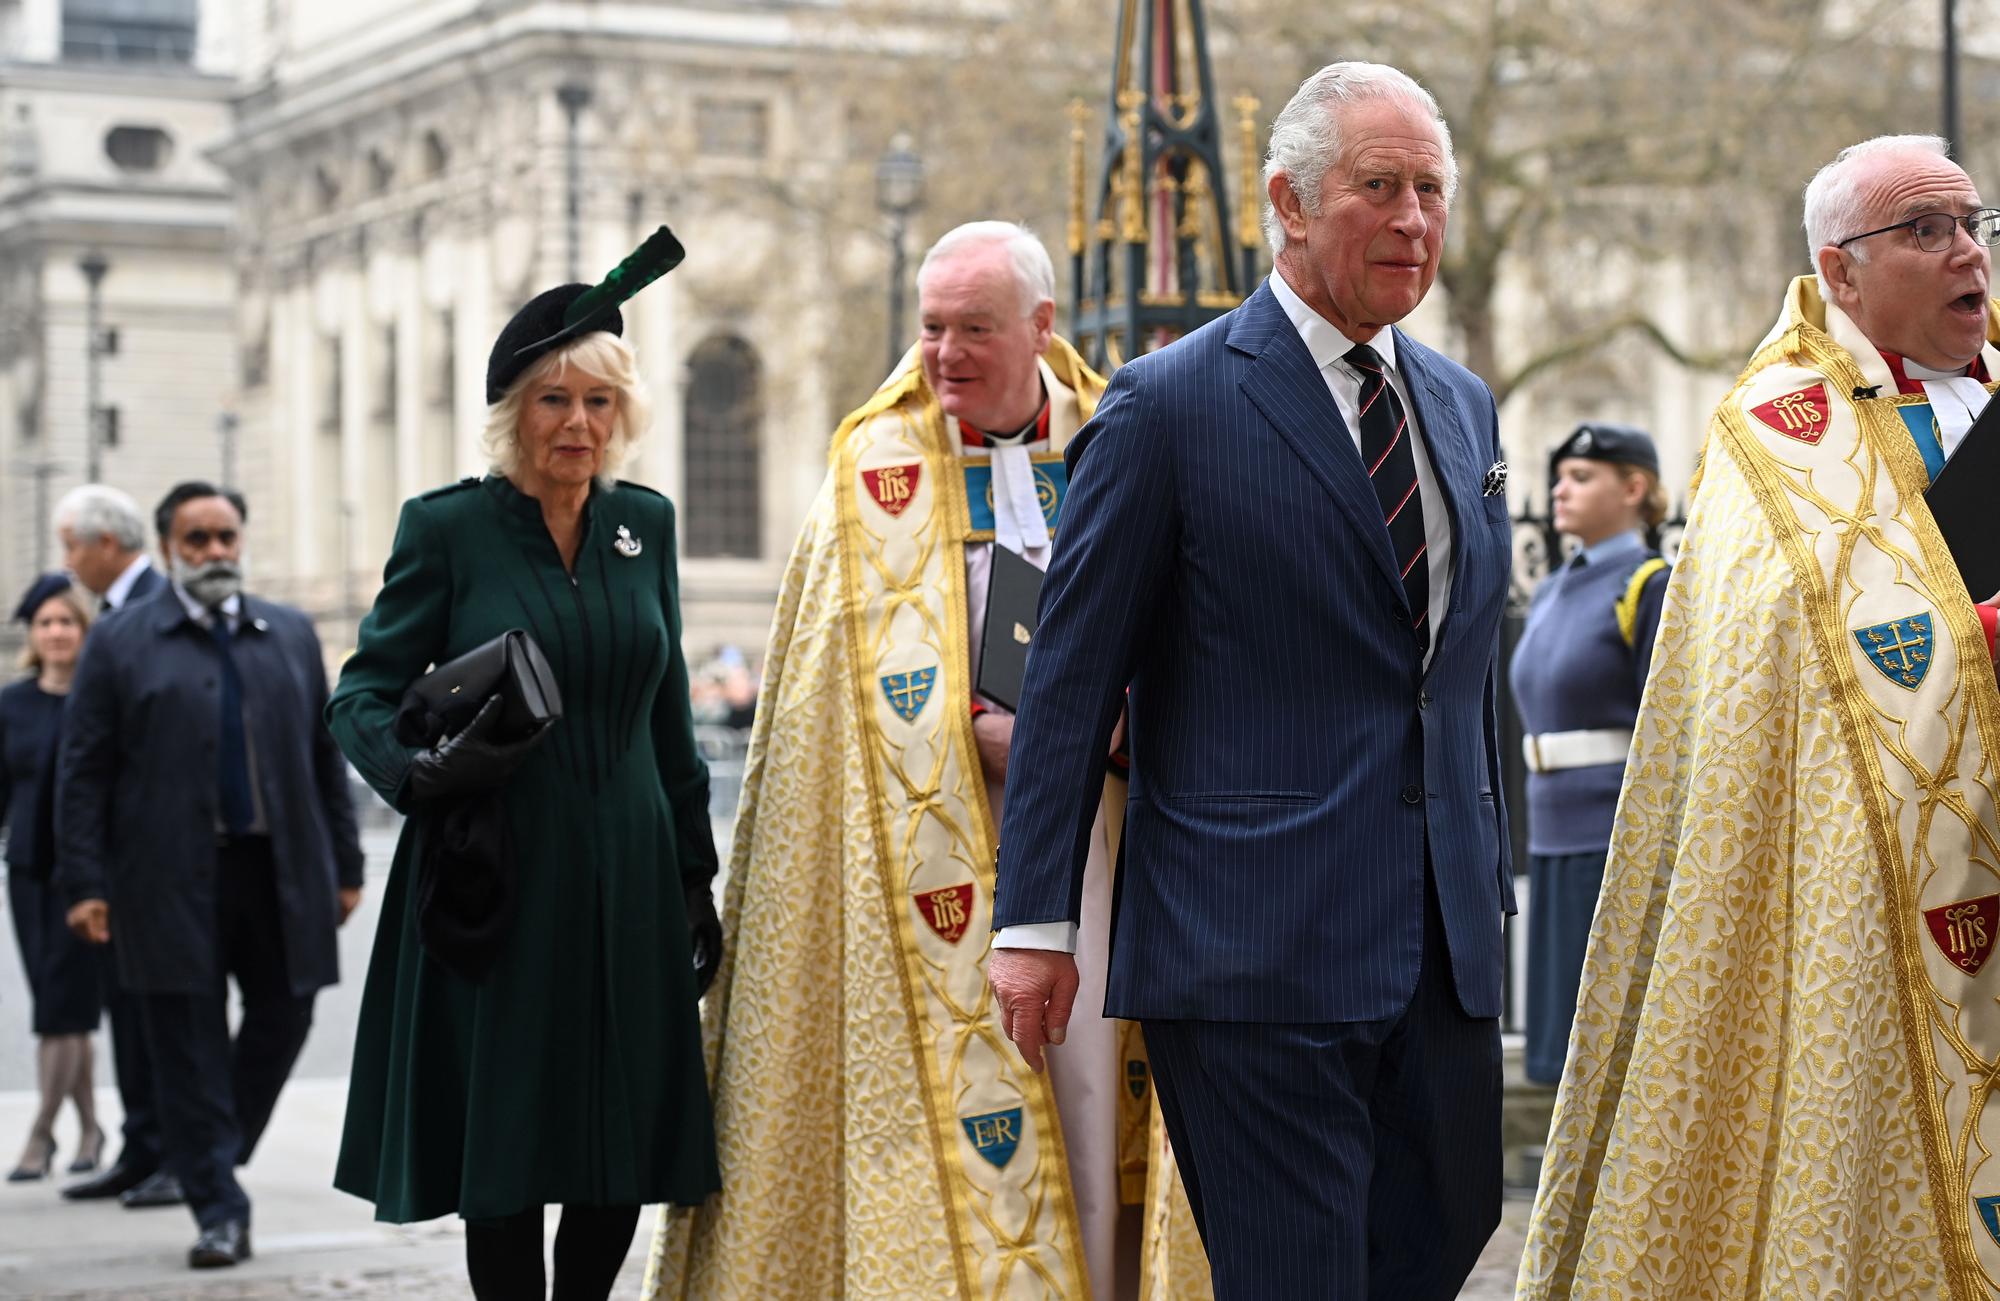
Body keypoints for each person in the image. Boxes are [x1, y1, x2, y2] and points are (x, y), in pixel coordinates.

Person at [986, 63, 1515, 1300]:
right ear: (1285, 200)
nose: (1412, 220)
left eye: (1430, 190)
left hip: (1437, 950)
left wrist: (1492, 880)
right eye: (1376, 186)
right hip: (1249, 949)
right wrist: (1033, 921)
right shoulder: (1164, 407)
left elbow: (1461, 670)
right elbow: (1068, 680)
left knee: (1435, 1243)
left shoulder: (1459, 404)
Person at [645, 222, 1190, 1301]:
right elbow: (831, 697)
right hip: (942, 860)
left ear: (1040, 326)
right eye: (930, 326)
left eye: (972, 328)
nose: (943, 352)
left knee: (1100, 1090)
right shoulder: (871, 474)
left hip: (1118, 835)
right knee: (996, 1092)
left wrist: (1121, 729)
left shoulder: (1124, 432)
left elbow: (1196, 625)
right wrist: (970, 738)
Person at [1518, 135, 2000, 1296]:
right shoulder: (1776, 430)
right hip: (1881, 886)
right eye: (1922, 231)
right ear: (1836, 272)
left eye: (1972, 224)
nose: (1963, 254)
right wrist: (1978, 637)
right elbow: (1791, 654)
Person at [327, 236, 721, 1301]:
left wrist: (694, 871)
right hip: (493, 869)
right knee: (503, 1143)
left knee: (618, 1130)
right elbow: (359, 691)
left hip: (632, 874)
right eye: (554, 401)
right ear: (513, 414)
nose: (578, 424)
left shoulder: (646, 526)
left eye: (599, 401)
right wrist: (415, 775)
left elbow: (667, 711)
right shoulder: (448, 528)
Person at [55, 481, 366, 1269]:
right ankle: (219, 1207)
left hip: (279, 872)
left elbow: (324, 759)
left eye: (227, 536)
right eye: (197, 539)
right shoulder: (121, 641)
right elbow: (83, 771)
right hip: (165, 881)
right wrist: (86, 881)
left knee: (286, 1013)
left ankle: (212, 1145)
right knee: (184, 1044)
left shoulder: (290, 633)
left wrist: (347, 862)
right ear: (168, 550)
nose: (216, 552)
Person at [1508, 424, 1669, 1085]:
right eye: (1559, 477)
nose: (1560, 489)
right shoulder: (1549, 590)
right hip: (1549, 832)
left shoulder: (1651, 583)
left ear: (1634, 488)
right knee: (1561, 1052)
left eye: (1582, 476)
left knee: (1613, 1052)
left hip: (1613, 837)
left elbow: (1667, 729)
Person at [47, 483, 176, 1210]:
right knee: (129, 1012)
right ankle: (144, 1147)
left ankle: (181, 1151)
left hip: (161, 852)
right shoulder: (118, 613)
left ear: (104, 542)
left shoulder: (154, 609)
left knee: (164, 1017)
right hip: (123, 860)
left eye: (71, 546)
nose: (67, 564)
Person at [3, 575, 105, 1181]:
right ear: (34, 636)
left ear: (84, 630)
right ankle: (92, 1131)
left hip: (86, 877)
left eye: (66, 622)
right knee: (58, 1007)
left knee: (62, 1012)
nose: (57, 632)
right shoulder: (10, 705)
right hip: (28, 873)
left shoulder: (99, 697)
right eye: (46, 624)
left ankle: (41, 1134)